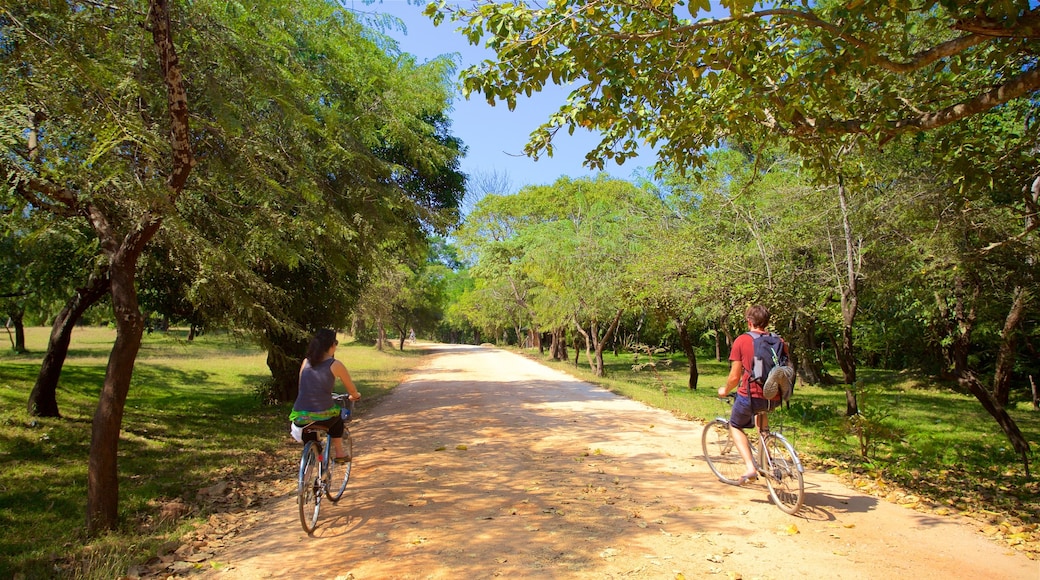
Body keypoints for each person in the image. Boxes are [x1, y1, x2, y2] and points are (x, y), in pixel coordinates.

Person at [717, 305, 788, 485]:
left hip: (751, 395)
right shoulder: (779, 341)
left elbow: (734, 377)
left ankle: (750, 468)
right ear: (767, 322)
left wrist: (724, 391)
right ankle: (767, 461)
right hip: (775, 397)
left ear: (749, 321)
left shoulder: (742, 341)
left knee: (735, 425)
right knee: (762, 422)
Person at [290, 329, 361, 463]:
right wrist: (355, 396)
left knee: (312, 440)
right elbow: (352, 390)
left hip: (300, 415)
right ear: (332, 345)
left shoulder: (306, 362)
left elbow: (303, 387)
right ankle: (340, 453)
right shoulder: (335, 364)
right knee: (337, 419)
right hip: (323, 415)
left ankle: (316, 465)